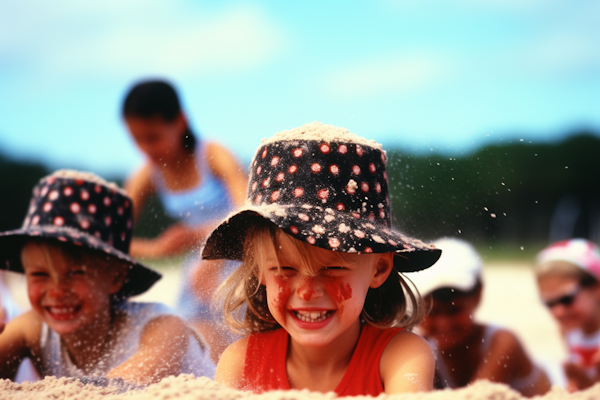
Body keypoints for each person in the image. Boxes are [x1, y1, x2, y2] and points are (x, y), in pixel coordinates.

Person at [204, 121, 442, 395]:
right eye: (285, 269)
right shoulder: (241, 361)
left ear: (379, 268)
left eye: (332, 269)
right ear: (258, 269)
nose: (306, 292)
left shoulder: (400, 355)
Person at [0, 170, 215, 384]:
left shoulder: (161, 327)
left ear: (116, 277)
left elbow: (115, 390)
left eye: (75, 273)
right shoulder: (33, 329)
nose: (56, 291)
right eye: (39, 274)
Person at [122, 80, 247, 362]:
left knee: (239, 335)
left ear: (179, 121)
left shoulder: (212, 155)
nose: (145, 148)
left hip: (240, 256)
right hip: (196, 270)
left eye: (152, 137)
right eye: (136, 139)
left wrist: (197, 236)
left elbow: (250, 210)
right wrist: (157, 249)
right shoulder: (147, 175)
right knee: (189, 340)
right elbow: (112, 238)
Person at [408, 237, 551, 397]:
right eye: (432, 312)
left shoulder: (503, 341)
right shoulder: (423, 346)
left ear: (478, 296)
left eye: (454, 310)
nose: (444, 323)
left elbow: (478, 396)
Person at [535, 238, 600, 392]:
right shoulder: (568, 330)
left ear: (597, 288)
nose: (558, 311)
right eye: (549, 303)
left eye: (567, 299)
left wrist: (585, 384)